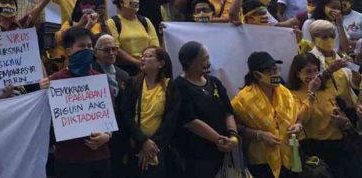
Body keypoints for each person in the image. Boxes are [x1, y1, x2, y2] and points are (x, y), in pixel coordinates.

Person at [49, 26, 111, 177]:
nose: (87, 50)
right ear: (68, 51)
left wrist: (107, 136)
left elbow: (111, 116)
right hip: (69, 159)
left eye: (90, 46)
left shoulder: (99, 79)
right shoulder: (55, 81)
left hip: (99, 157)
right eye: (82, 46)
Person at [287, 53, 360, 178]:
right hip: (318, 148)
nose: (313, 75)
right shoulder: (292, 95)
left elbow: (341, 113)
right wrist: (311, 93)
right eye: (308, 71)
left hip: (341, 144)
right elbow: (301, 119)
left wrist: (344, 121)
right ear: (298, 74)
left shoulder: (327, 90)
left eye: (315, 70)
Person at [230, 52, 302, 178]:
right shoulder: (243, 100)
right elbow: (235, 126)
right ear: (257, 75)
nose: (275, 74)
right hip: (262, 161)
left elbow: (297, 117)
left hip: (289, 155)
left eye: (276, 69)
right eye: (270, 71)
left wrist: (298, 126)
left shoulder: (285, 93)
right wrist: (259, 134)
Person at [173, 41, 238, 178]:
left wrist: (233, 137)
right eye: (204, 59)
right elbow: (190, 121)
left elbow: (228, 111)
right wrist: (219, 140)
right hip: (196, 156)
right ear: (190, 62)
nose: (208, 63)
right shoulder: (178, 86)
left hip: (224, 152)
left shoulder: (214, 82)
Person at [119, 46, 179, 177]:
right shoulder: (133, 83)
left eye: (148, 56)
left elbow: (171, 119)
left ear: (161, 64)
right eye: (142, 55)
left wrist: (152, 144)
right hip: (134, 144)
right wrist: (143, 141)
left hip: (157, 147)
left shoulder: (170, 86)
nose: (143, 58)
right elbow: (126, 114)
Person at [306, 19, 359, 110]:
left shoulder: (341, 55)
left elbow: (356, 84)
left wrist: (354, 67)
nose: (329, 40)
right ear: (314, 38)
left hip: (350, 107)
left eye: (332, 36)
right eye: (324, 37)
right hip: (326, 109)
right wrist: (330, 70)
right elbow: (312, 87)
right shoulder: (309, 59)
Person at [107, 0, 160, 76]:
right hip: (125, 69)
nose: (135, 0)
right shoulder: (113, 22)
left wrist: (146, 61)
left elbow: (155, 45)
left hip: (147, 68)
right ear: (122, 2)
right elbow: (116, 48)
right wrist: (136, 62)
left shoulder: (145, 21)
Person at [93, 34, 130, 108]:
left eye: (114, 49)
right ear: (95, 53)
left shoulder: (124, 75)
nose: (111, 53)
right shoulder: (90, 74)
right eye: (106, 50)